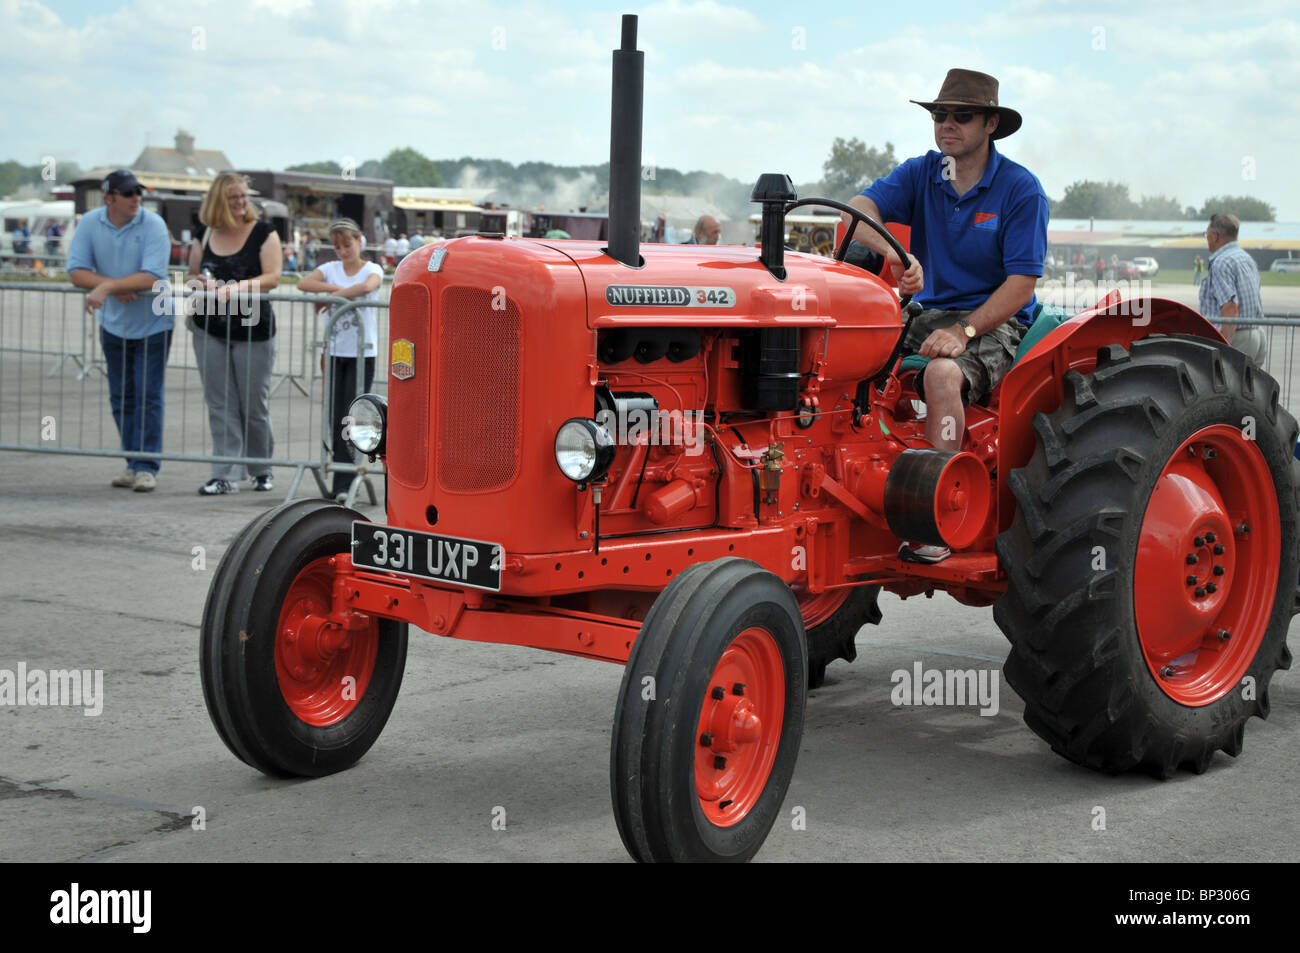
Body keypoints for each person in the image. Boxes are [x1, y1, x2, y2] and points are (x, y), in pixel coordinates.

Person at [842, 68, 1048, 563]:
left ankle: (938, 513)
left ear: (991, 124)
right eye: (939, 114)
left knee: (940, 375)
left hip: (995, 320)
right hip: (930, 311)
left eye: (962, 115)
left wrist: (965, 330)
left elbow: (1021, 284)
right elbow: (855, 211)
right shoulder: (923, 173)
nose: (946, 124)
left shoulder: (1021, 190)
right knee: (845, 360)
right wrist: (895, 253)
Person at [66, 170, 173, 491]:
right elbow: (75, 272)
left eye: (138, 193)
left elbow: (153, 276)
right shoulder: (89, 222)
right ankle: (131, 460)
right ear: (109, 198)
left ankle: (147, 466)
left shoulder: (153, 224)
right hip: (114, 324)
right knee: (121, 396)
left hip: (154, 323)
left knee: (148, 395)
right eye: (128, 194)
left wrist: (107, 286)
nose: (136, 199)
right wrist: (113, 288)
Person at [187, 171, 282, 495]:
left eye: (244, 196)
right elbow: (192, 274)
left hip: (254, 331)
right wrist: (200, 282)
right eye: (234, 197)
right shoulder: (204, 233)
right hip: (209, 328)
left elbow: (272, 277)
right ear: (218, 201)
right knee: (220, 403)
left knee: (253, 404)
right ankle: (224, 473)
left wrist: (236, 288)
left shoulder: (264, 232)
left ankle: (260, 469)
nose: (242, 202)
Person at [297, 218, 384, 501]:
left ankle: (349, 476)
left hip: (361, 352)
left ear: (359, 242)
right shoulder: (331, 269)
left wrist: (334, 298)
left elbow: (366, 287)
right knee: (335, 415)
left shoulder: (372, 268)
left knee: (353, 414)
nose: (343, 251)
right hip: (335, 351)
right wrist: (333, 292)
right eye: (337, 247)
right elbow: (303, 283)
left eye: (347, 244)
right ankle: (339, 478)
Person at [1200, 213, 1266, 366]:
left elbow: (1230, 307)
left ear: (1215, 236)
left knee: (1228, 388)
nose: (1207, 238)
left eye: (1207, 234)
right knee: (1248, 389)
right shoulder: (1246, 258)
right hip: (1255, 334)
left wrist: (1225, 346)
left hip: (1236, 338)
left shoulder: (1221, 262)